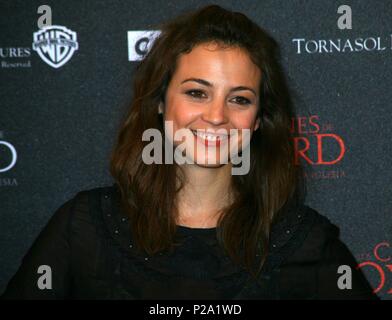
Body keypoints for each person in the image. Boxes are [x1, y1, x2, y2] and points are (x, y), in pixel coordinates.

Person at [1, 4, 378, 300]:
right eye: (197, 92)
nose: (216, 116)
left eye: (240, 99)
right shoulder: (83, 228)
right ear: (161, 102)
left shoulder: (304, 241)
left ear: (260, 120)